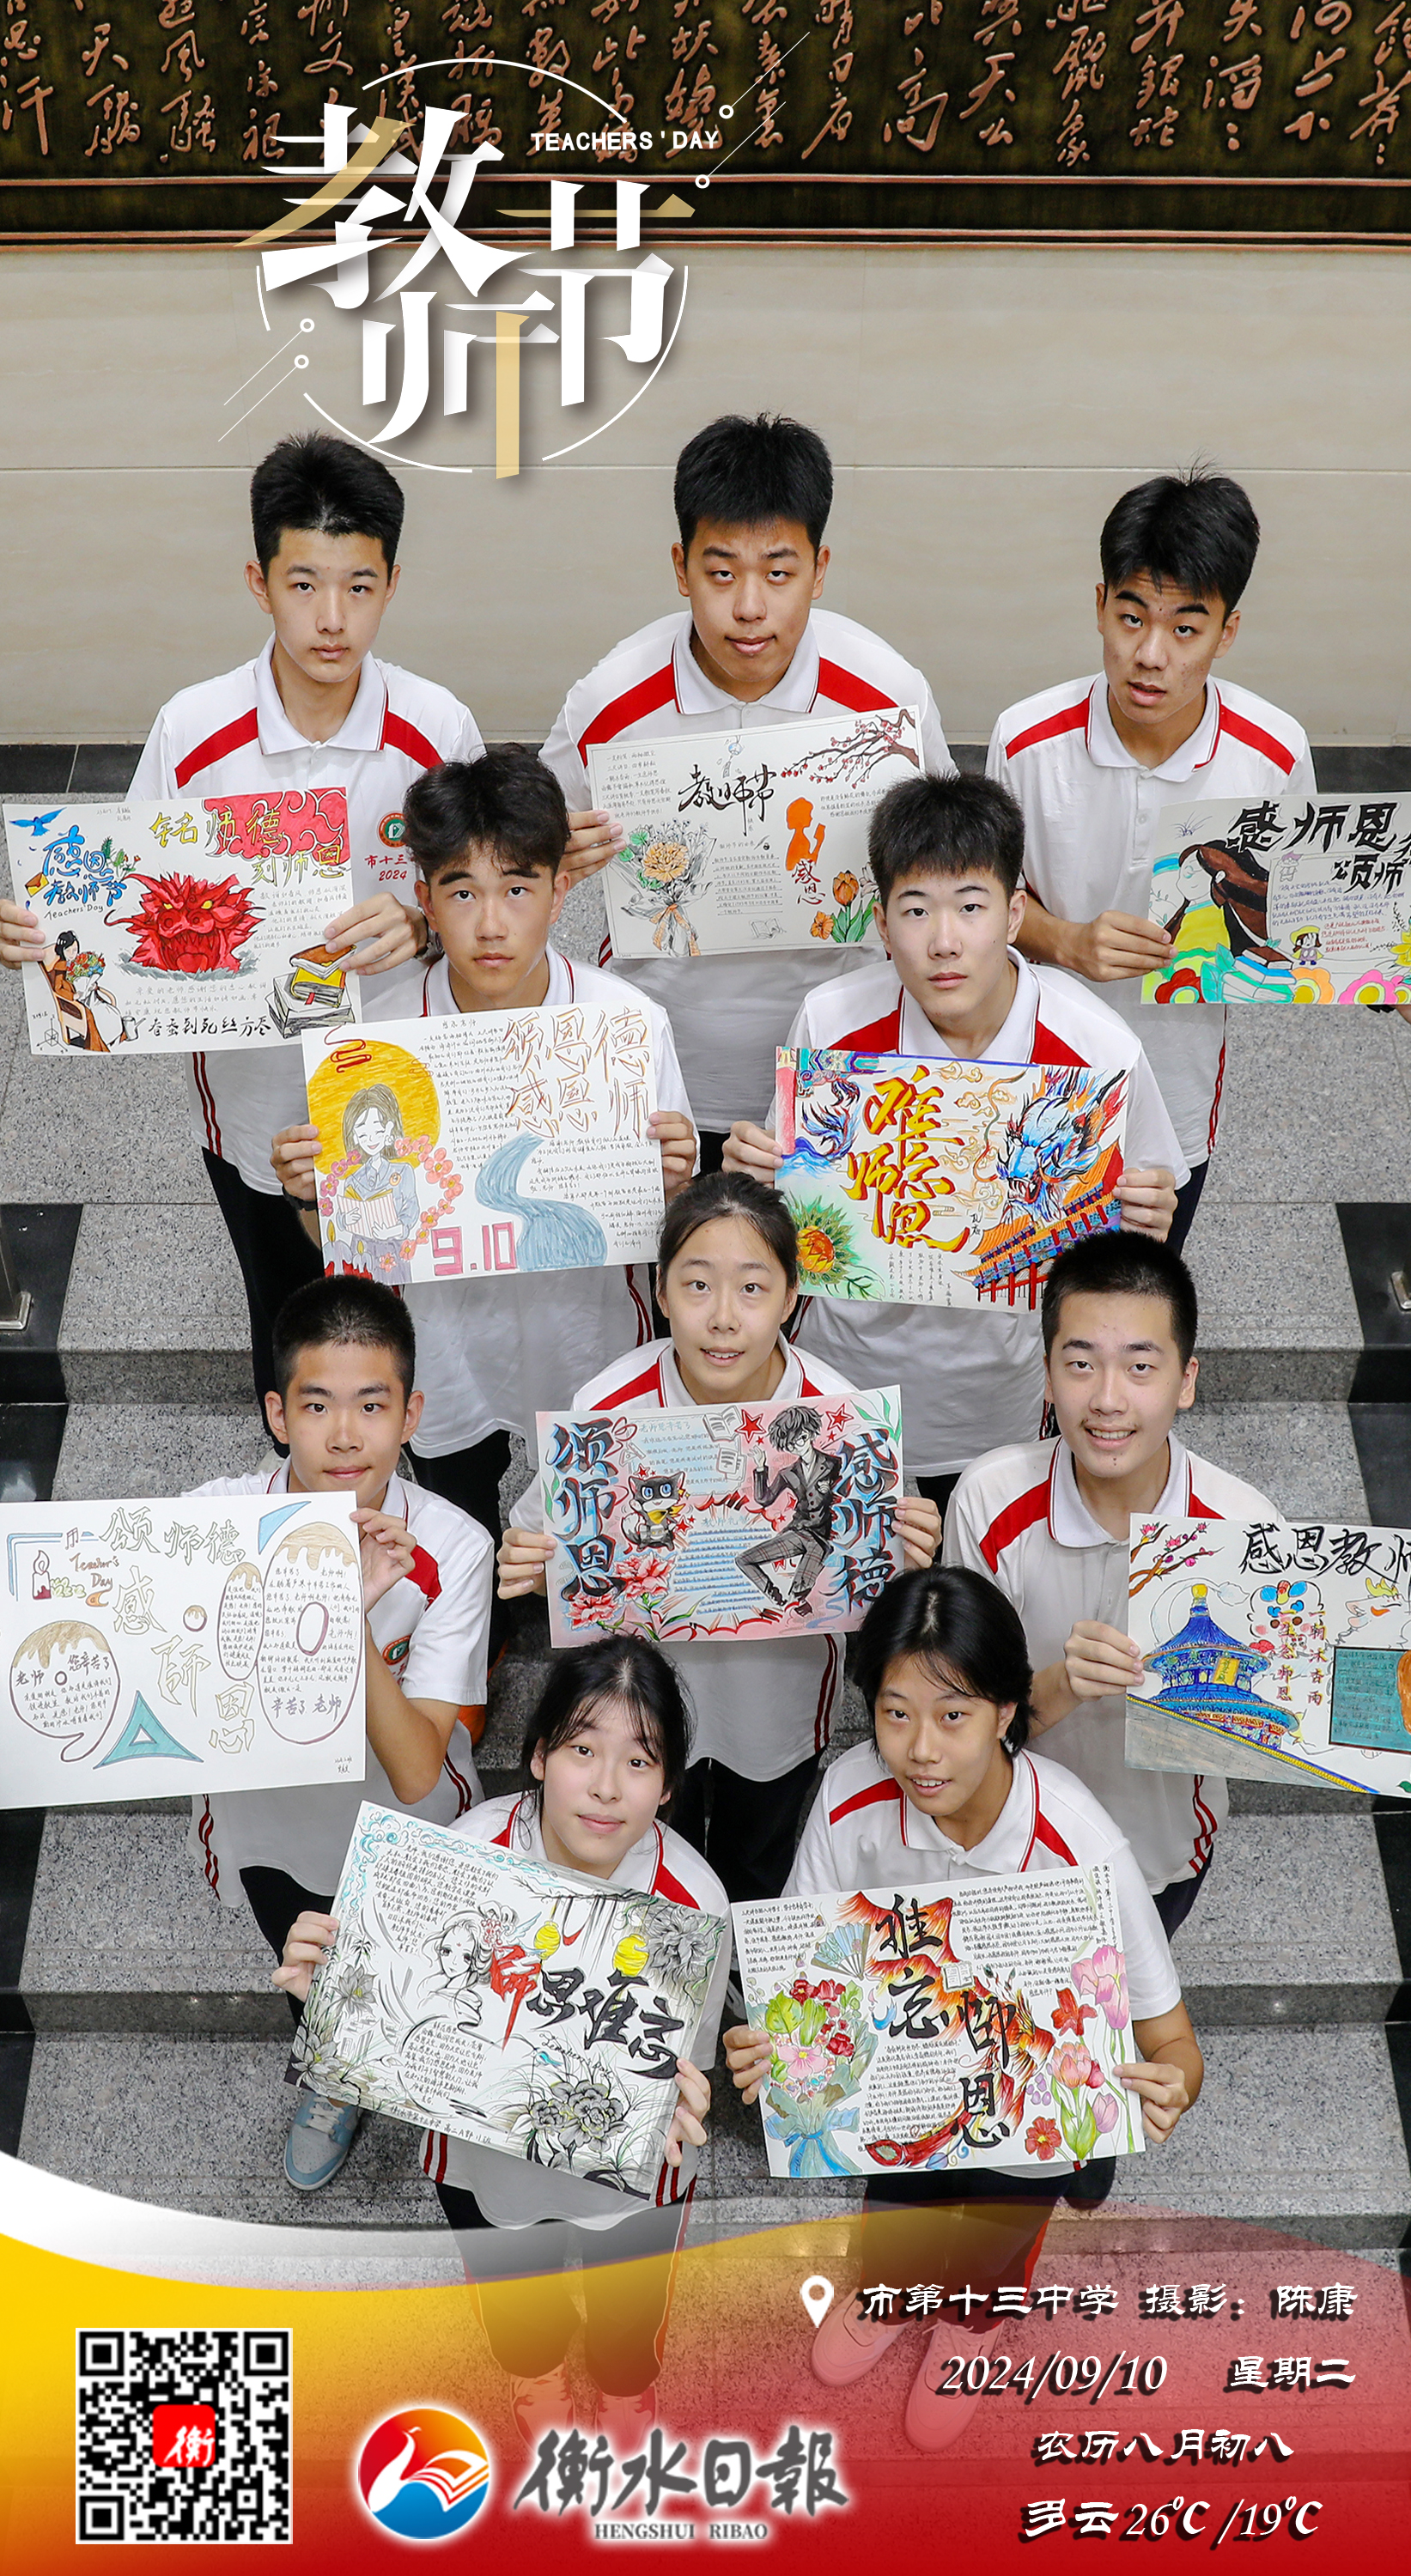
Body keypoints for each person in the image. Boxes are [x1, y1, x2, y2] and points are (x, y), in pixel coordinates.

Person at [0, 434, 484, 1423]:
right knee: (290, 1322)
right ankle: (300, 1475)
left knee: (417, 1314)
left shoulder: (438, 730)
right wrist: (51, 942)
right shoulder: (194, 729)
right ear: (259, 583)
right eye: (304, 584)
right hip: (255, 1105)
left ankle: (424, 1465)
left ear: (392, 585)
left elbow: (492, 900)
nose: (331, 617)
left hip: (407, 1085)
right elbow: (122, 900)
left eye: (358, 586)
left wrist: (429, 923)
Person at [724, 1565, 1201, 2455]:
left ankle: (971, 2329)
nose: (920, 1750)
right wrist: (767, 2044)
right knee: (894, 2214)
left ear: (1006, 1712)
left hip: (1024, 2124)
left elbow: (1172, 2040)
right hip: (899, 2096)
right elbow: (798, 1989)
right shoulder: (848, 1797)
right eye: (895, 1713)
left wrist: (1169, 2087)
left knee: (994, 2240)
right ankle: (887, 2301)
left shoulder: (1080, 1843)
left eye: (953, 1716)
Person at [276, 1639, 728, 2450]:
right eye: (582, 1750)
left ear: (667, 1786)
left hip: (629, 2181)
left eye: (638, 1762)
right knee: (517, 2309)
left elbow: (689, 2061)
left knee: (629, 2321)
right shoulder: (463, 1854)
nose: (606, 1786)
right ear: (538, 1755)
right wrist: (339, 1997)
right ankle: (536, 2376)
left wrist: (687, 2095)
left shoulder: (694, 1902)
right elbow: (404, 2013)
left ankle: (625, 2391)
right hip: (480, 2160)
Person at [271, 747, 696, 1594]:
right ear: (424, 898)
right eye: (462, 892)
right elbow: (348, 1246)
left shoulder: (624, 1023)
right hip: (445, 1340)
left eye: (518, 889)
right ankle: (481, 1630)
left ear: (559, 891)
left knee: (588, 1518)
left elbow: (668, 1228)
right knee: (458, 1513)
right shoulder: (372, 1047)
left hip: (585, 1331)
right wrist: (310, 1199)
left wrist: (676, 1184)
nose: (492, 924)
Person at [724, 772, 1186, 1518]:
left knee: (976, 1557)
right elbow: (785, 1207)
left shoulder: (1099, 1049)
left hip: (1003, 1387)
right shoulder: (831, 1023)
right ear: (881, 925)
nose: (943, 942)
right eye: (915, 910)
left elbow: (1130, 1244)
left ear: (1014, 914)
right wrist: (752, 1182)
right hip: (845, 1369)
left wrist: (1145, 1223)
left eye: (970, 907)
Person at [498, 1170, 942, 1905]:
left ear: (791, 1297)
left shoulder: (843, 1415)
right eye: (697, 1285)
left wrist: (907, 1557)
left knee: (755, 1862)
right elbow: (541, 1544)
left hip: (777, 1693)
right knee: (636, 1878)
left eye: (752, 1288)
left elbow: (879, 1579)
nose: (723, 1318)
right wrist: (531, 1565)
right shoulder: (606, 1406)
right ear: (661, 1291)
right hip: (634, 1706)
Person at [539, 411, 954, 1164]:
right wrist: (555, 854)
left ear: (819, 570)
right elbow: (522, 852)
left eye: (779, 573)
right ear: (681, 567)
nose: (749, 608)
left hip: (839, 1069)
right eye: (721, 572)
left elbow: (952, 862)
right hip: (662, 1072)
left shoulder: (885, 699)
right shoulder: (609, 702)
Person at [186, 1274, 492, 2192]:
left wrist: (345, 1616)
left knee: (417, 1970)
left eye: (373, 1405)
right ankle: (331, 2080)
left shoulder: (454, 1547)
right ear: (277, 1414)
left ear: (411, 1416)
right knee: (307, 1970)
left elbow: (415, 1768)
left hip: (407, 1827)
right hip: (266, 1823)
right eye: (318, 1405)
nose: (346, 1435)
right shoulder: (207, 1524)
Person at [988, 469, 1314, 1251]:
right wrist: (1066, 941)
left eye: (1185, 629)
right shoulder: (1024, 741)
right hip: (1032, 1078)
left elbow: (1301, 921)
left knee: (1137, 1291)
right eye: (1130, 618)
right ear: (1099, 604)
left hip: (1175, 1087)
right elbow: (980, 904)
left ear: (1226, 632)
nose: (1150, 655)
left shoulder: (1273, 754)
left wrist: (1382, 972)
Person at [944, 1230, 1280, 1926]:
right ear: (1046, 1375)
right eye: (1079, 1364)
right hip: (1006, 1843)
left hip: (1158, 1851)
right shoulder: (987, 1499)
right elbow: (957, 1710)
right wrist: (1061, 1685)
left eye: (1139, 1367)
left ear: (1185, 1381)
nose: (1106, 1398)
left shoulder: (1244, 1528)